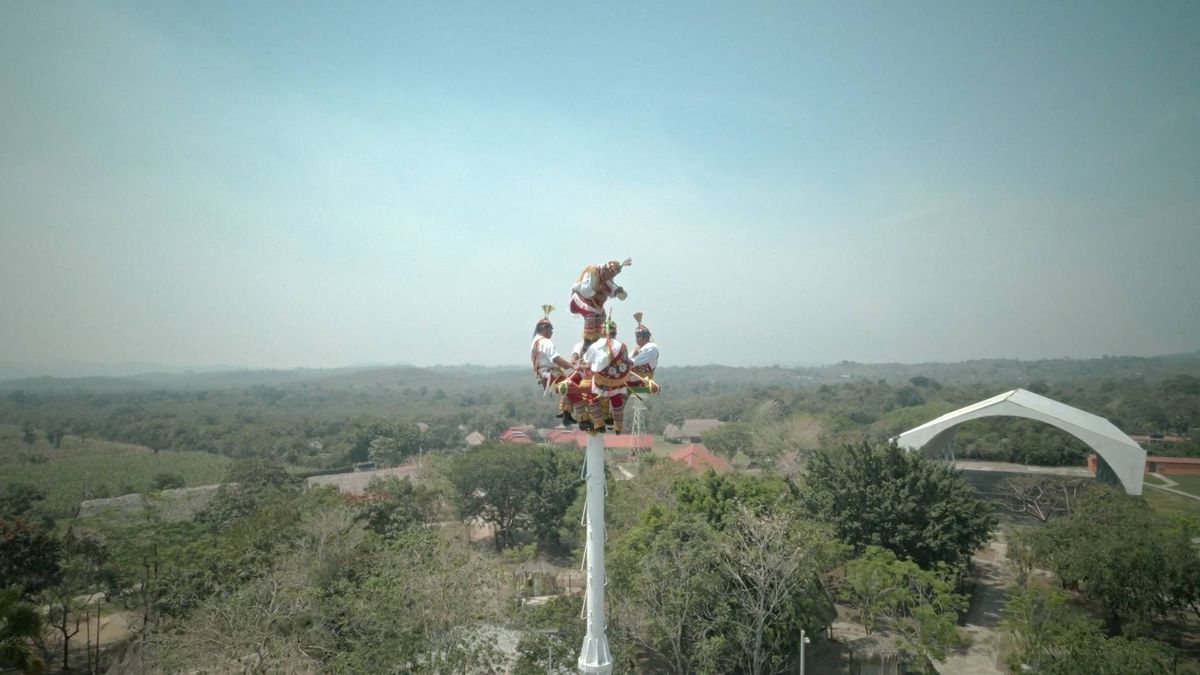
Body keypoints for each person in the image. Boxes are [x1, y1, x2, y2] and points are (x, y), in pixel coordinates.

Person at [572, 317, 634, 434]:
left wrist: (579, 364)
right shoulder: (623, 346)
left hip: (600, 385)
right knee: (616, 397)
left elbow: (587, 362)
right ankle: (618, 425)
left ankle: (598, 421)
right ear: (615, 332)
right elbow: (629, 362)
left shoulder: (595, 346)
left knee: (588, 393)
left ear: (602, 332)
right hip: (618, 384)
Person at [570, 258, 631, 347]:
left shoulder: (606, 276)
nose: (610, 278)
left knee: (602, 316)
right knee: (591, 315)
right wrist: (599, 291)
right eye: (609, 275)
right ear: (606, 269)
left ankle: (597, 341)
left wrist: (618, 292)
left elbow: (615, 292)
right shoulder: (592, 271)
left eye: (612, 276)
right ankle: (587, 345)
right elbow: (585, 291)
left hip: (594, 304)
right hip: (579, 299)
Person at [530, 306, 574, 421]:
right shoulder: (545, 342)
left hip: (542, 372)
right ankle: (567, 413)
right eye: (551, 330)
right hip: (550, 372)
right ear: (544, 329)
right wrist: (570, 365)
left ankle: (565, 412)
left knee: (568, 385)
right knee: (574, 385)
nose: (552, 333)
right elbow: (555, 358)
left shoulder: (535, 340)